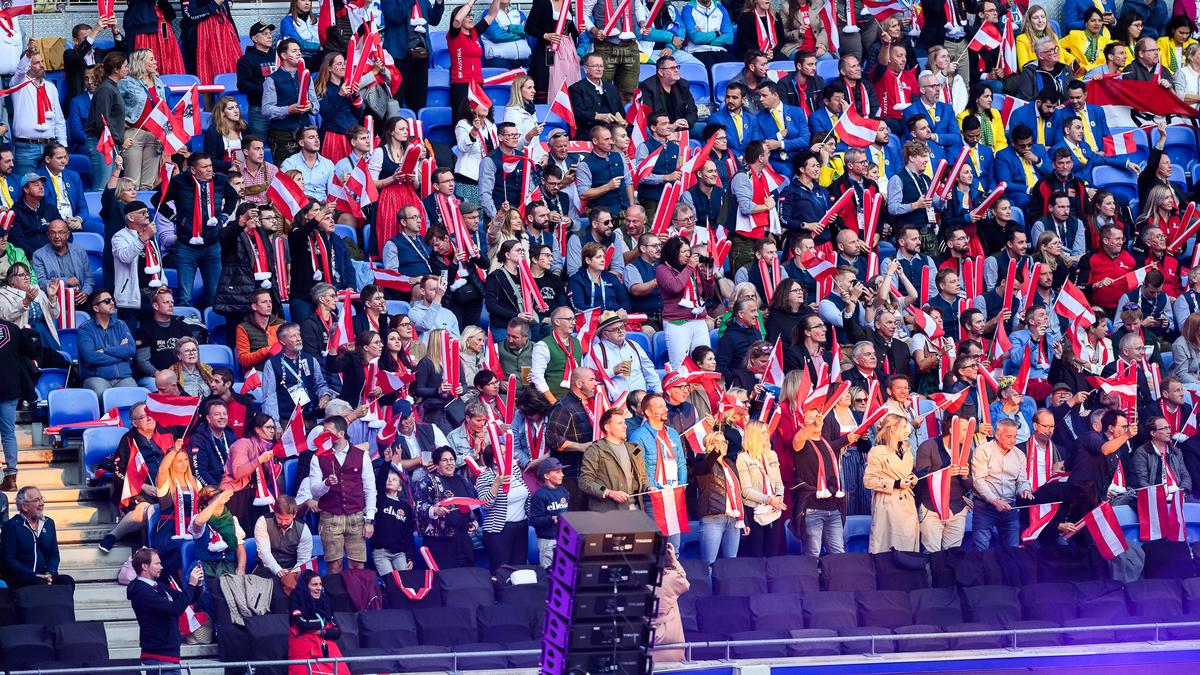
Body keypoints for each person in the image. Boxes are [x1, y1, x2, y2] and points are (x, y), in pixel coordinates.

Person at [299, 417, 376, 574]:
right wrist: (326, 483)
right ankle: (336, 598)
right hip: (330, 517)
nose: (324, 435)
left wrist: (369, 520)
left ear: (341, 433)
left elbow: (370, 489)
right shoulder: (317, 457)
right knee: (334, 566)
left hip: (356, 516)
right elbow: (314, 490)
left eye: (328, 432)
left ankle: (356, 598)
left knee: (357, 566)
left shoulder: (362, 455)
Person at [126, 547, 204, 673]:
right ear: (145, 566)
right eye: (157, 563)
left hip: (169, 654)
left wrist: (197, 585)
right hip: (158, 656)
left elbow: (186, 599)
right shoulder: (142, 592)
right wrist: (190, 585)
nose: (161, 567)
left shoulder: (157, 586)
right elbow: (175, 609)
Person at [971, 418, 1035, 549]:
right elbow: (978, 481)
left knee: (1012, 550)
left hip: (1010, 508)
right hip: (985, 508)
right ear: (997, 435)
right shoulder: (983, 450)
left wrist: (1025, 490)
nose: (1013, 440)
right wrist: (995, 501)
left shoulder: (1019, 455)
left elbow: (1022, 480)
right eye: (1009, 436)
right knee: (981, 551)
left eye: (1015, 436)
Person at [415, 447, 480, 568]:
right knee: (445, 581)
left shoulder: (464, 481)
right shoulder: (426, 481)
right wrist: (434, 510)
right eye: (445, 460)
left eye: (452, 459)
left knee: (467, 578)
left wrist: (473, 523)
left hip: (463, 541)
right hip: (439, 543)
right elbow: (419, 506)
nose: (449, 463)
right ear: (436, 464)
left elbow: (473, 505)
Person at [864, 413, 919, 553]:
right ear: (893, 429)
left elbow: (905, 472)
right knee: (888, 546)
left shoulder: (907, 450)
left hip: (907, 502)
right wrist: (895, 483)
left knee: (908, 544)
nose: (908, 430)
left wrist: (912, 478)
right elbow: (868, 480)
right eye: (904, 427)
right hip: (888, 505)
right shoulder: (877, 452)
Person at [11, 44, 67, 177]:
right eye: (36, 63)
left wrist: (63, 146)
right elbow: (19, 72)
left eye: (42, 61)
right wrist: (28, 54)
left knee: (50, 188)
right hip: (26, 148)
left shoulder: (50, 87)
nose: (42, 65)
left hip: (50, 147)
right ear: (27, 66)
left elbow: (58, 118)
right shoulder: (18, 84)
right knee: (26, 189)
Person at [262, 322, 335, 423]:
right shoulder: (272, 364)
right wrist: (275, 423)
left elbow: (320, 384)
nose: (298, 338)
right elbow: (269, 397)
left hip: (310, 417)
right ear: (282, 341)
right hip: (286, 421)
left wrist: (325, 396)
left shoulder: (311, 359)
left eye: (299, 334)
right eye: (293, 336)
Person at [0, 486, 72, 588]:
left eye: (42, 498)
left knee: (67, 582)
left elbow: (54, 555)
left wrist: (50, 572)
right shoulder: (11, 526)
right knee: (39, 583)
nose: (42, 503)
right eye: (37, 500)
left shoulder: (48, 523)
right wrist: (34, 575)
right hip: (20, 576)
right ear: (24, 506)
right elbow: (9, 560)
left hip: (43, 575)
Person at [579, 407, 648, 512]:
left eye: (624, 423)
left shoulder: (634, 449)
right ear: (607, 427)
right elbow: (585, 481)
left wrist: (649, 487)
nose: (625, 426)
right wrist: (609, 492)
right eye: (620, 423)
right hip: (608, 514)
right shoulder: (595, 450)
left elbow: (642, 478)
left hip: (635, 510)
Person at [263, 39, 320, 164]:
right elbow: (266, 110)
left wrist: (310, 105)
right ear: (283, 55)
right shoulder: (272, 80)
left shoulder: (306, 76)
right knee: (287, 174)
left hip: (304, 132)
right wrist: (289, 109)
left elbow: (316, 106)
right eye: (294, 51)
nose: (299, 53)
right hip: (283, 134)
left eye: (299, 50)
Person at [77, 288, 138, 397]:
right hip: (97, 378)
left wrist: (105, 350)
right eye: (107, 301)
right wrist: (121, 354)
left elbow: (131, 349)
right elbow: (91, 357)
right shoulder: (85, 329)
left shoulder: (121, 324)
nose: (112, 302)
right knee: (102, 394)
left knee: (134, 396)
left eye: (112, 299)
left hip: (123, 377)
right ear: (96, 308)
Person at [287, 571, 350, 675]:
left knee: (341, 671)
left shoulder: (325, 600)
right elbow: (302, 625)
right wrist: (324, 627)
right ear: (306, 587)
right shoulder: (296, 599)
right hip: (303, 646)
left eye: (320, 584)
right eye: (314, 584)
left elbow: (337, 632)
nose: (319, 588)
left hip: (325, 643)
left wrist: (319, 631)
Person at [252, 495, 313, 585]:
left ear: (294, 514)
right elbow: (264, 553)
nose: (283, 522)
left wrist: (291, 573)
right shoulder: (263, 522)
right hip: (265, 567)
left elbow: (303, 560)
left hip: (292, 568)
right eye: (279, 518)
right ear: (275, 512)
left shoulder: (303, 529)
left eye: (287, 519)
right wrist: (278, 570)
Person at [371, 467, 417, 575]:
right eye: (388, 478)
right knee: (390, 581)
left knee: (406, 581)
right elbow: (380, 481)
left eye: (394, 479)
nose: (390, 480)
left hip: (399, 553)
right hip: (381, 551)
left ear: (400, 488)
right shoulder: (380, 500)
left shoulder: (405, 507)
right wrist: (386, 463)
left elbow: (409, 535)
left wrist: (410, 557)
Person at [529, 457, 569, 567]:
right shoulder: (539, 495)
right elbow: (534, 520)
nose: (562, 475)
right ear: (546, 476)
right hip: (547, 540)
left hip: (563, 538)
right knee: (549, 572)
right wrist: (551, 519)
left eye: (561, 471)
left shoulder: (564, 492)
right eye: (557, 472)